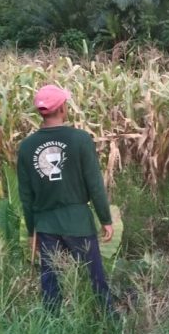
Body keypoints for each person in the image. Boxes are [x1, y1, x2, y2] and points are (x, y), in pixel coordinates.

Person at [17, 84, 114, 312]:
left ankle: (51, 329)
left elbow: (26, 195)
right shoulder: (80, 139)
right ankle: (109, 321)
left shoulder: (27, 146)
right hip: (78, 222)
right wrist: (105, 219)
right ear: (62, 107)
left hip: (46, 224)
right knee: (95, 278)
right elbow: (95, 185)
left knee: (51, 284)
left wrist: (33, 232)